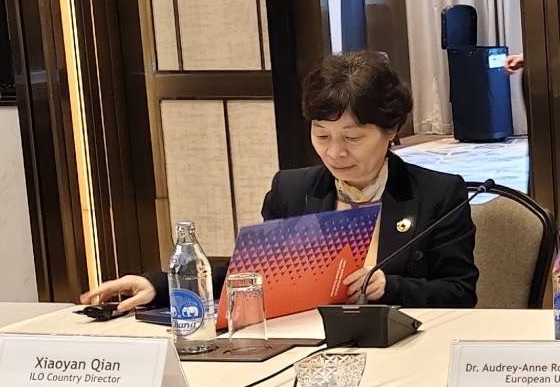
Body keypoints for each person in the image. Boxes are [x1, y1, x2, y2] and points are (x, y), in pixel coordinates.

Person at [80, 52, 479, 312]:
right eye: (321, 135)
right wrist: (160, 285)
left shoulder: (437, 195)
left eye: (353, 138)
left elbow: (460, 293)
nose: (335, 152)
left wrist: (389, 287)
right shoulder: (293, 191)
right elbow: (254, 276)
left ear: (391, 130)